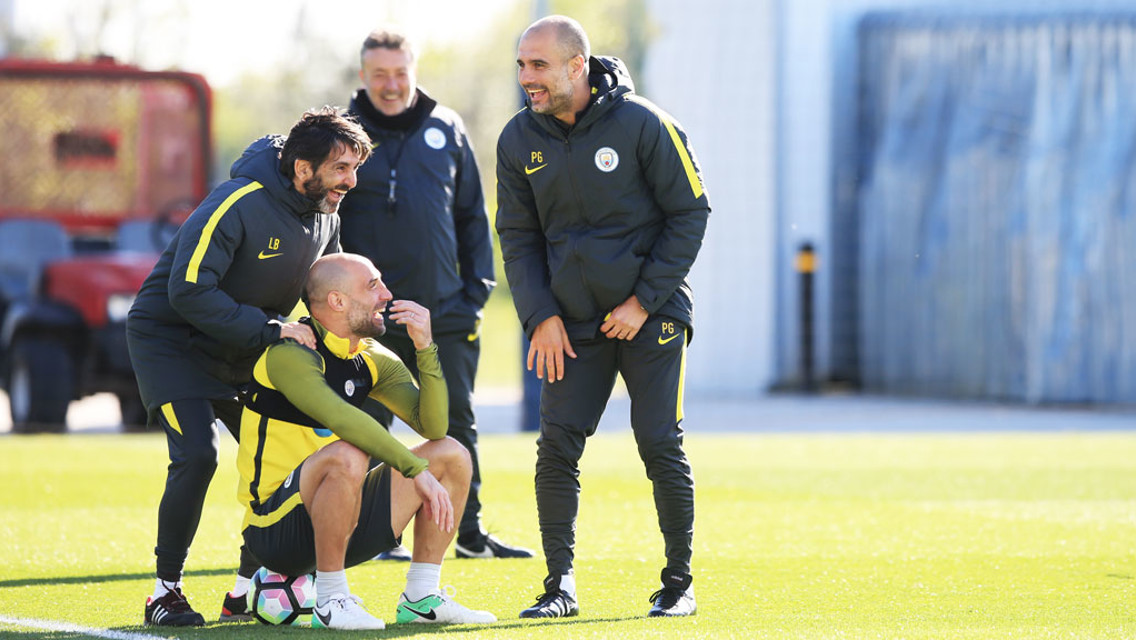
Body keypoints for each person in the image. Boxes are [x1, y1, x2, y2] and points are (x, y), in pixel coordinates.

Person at [495, 16, 710, 619]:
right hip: (570, 323)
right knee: (556, 448)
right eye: (520, 65)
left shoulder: (645, 123)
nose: (526, 78)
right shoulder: (517, 140)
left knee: (659, 442)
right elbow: (516, 235)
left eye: (538, 65)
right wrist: (540, 316)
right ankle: (558, 586)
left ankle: (678, 582)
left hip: (653, 314)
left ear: (575, 66)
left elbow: (691, 212)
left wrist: (642, 301)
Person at [126, 107, 372, 627]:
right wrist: (270, 331)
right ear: (302, 168)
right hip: (173, 343)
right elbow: (188, 290)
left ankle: (246, 589)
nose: (351, 181)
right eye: (341, 169)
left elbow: (329, 295)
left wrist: (356, 340)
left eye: (355, 169)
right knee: (197, 455)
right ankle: (164, 592)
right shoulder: (238, 201)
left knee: (290, 460)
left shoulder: (327, 213)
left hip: (247, 348)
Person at [339, 26, 532, 560]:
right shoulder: (340, 134)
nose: (391, 84)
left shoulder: (447, 126)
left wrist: (474, 295)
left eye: (400, 72)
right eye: (379, 74)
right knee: (366, 422)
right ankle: (373, 538)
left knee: (456, 421)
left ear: (413, 72)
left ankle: (468, 535)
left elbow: (473, 217)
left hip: (443, 312)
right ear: (363, 76)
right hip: (364, 319)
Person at [236, 252, 497, 629]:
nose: (387, 295)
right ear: (337, 301)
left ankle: (421, 597)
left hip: (343, 515)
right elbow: (343, 418)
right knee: (346, 453)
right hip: (273, 530)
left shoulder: (371, 355)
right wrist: (414, 471)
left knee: (452, 455)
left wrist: (425, 347)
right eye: (373, 285)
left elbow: (434, 426)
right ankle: (330, 600)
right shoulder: (289, 353)